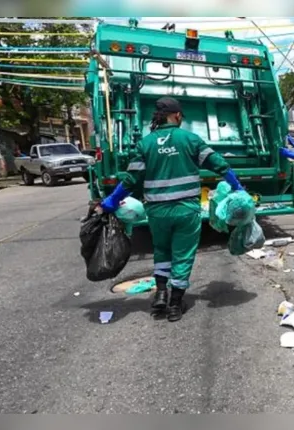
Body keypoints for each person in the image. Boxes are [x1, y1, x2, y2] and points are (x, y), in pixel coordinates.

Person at [98, 97, 243, 322]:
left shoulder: (145, 144)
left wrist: (113, 200)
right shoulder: (190, 139)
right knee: (183, 255)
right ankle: (175, 303)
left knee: (162, 251)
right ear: (176, 115)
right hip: (186, 210)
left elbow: (131, 179)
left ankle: (161, 294)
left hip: (157, 212)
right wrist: (238, 187)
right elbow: (219, 164)